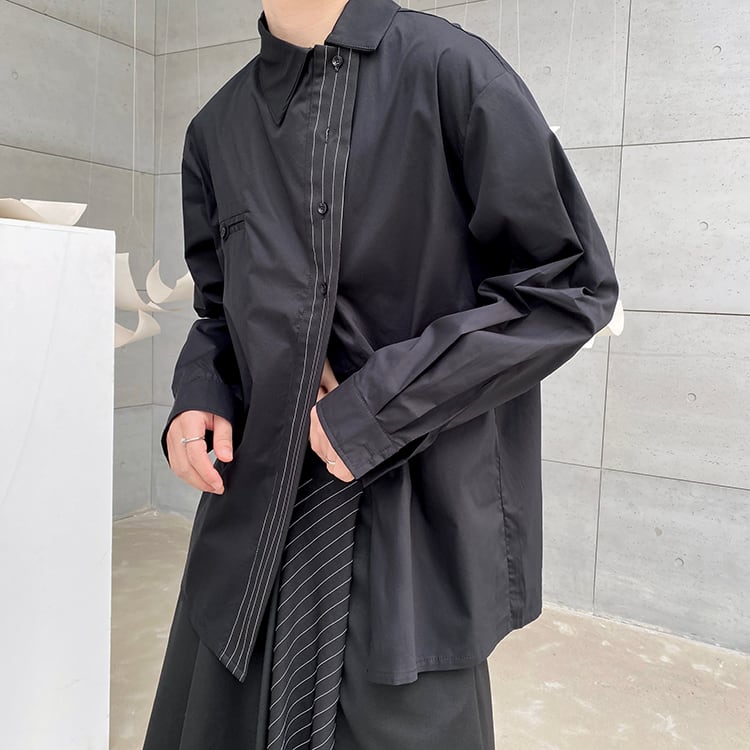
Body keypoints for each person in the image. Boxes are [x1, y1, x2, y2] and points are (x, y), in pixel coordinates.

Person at [142, 0, 620, 748]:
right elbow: (217, 312)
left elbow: (568, 285)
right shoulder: (216, 129)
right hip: (253, 524)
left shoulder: (450, 72)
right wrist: (199, 392)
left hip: (408, 520)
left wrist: (377, 408)